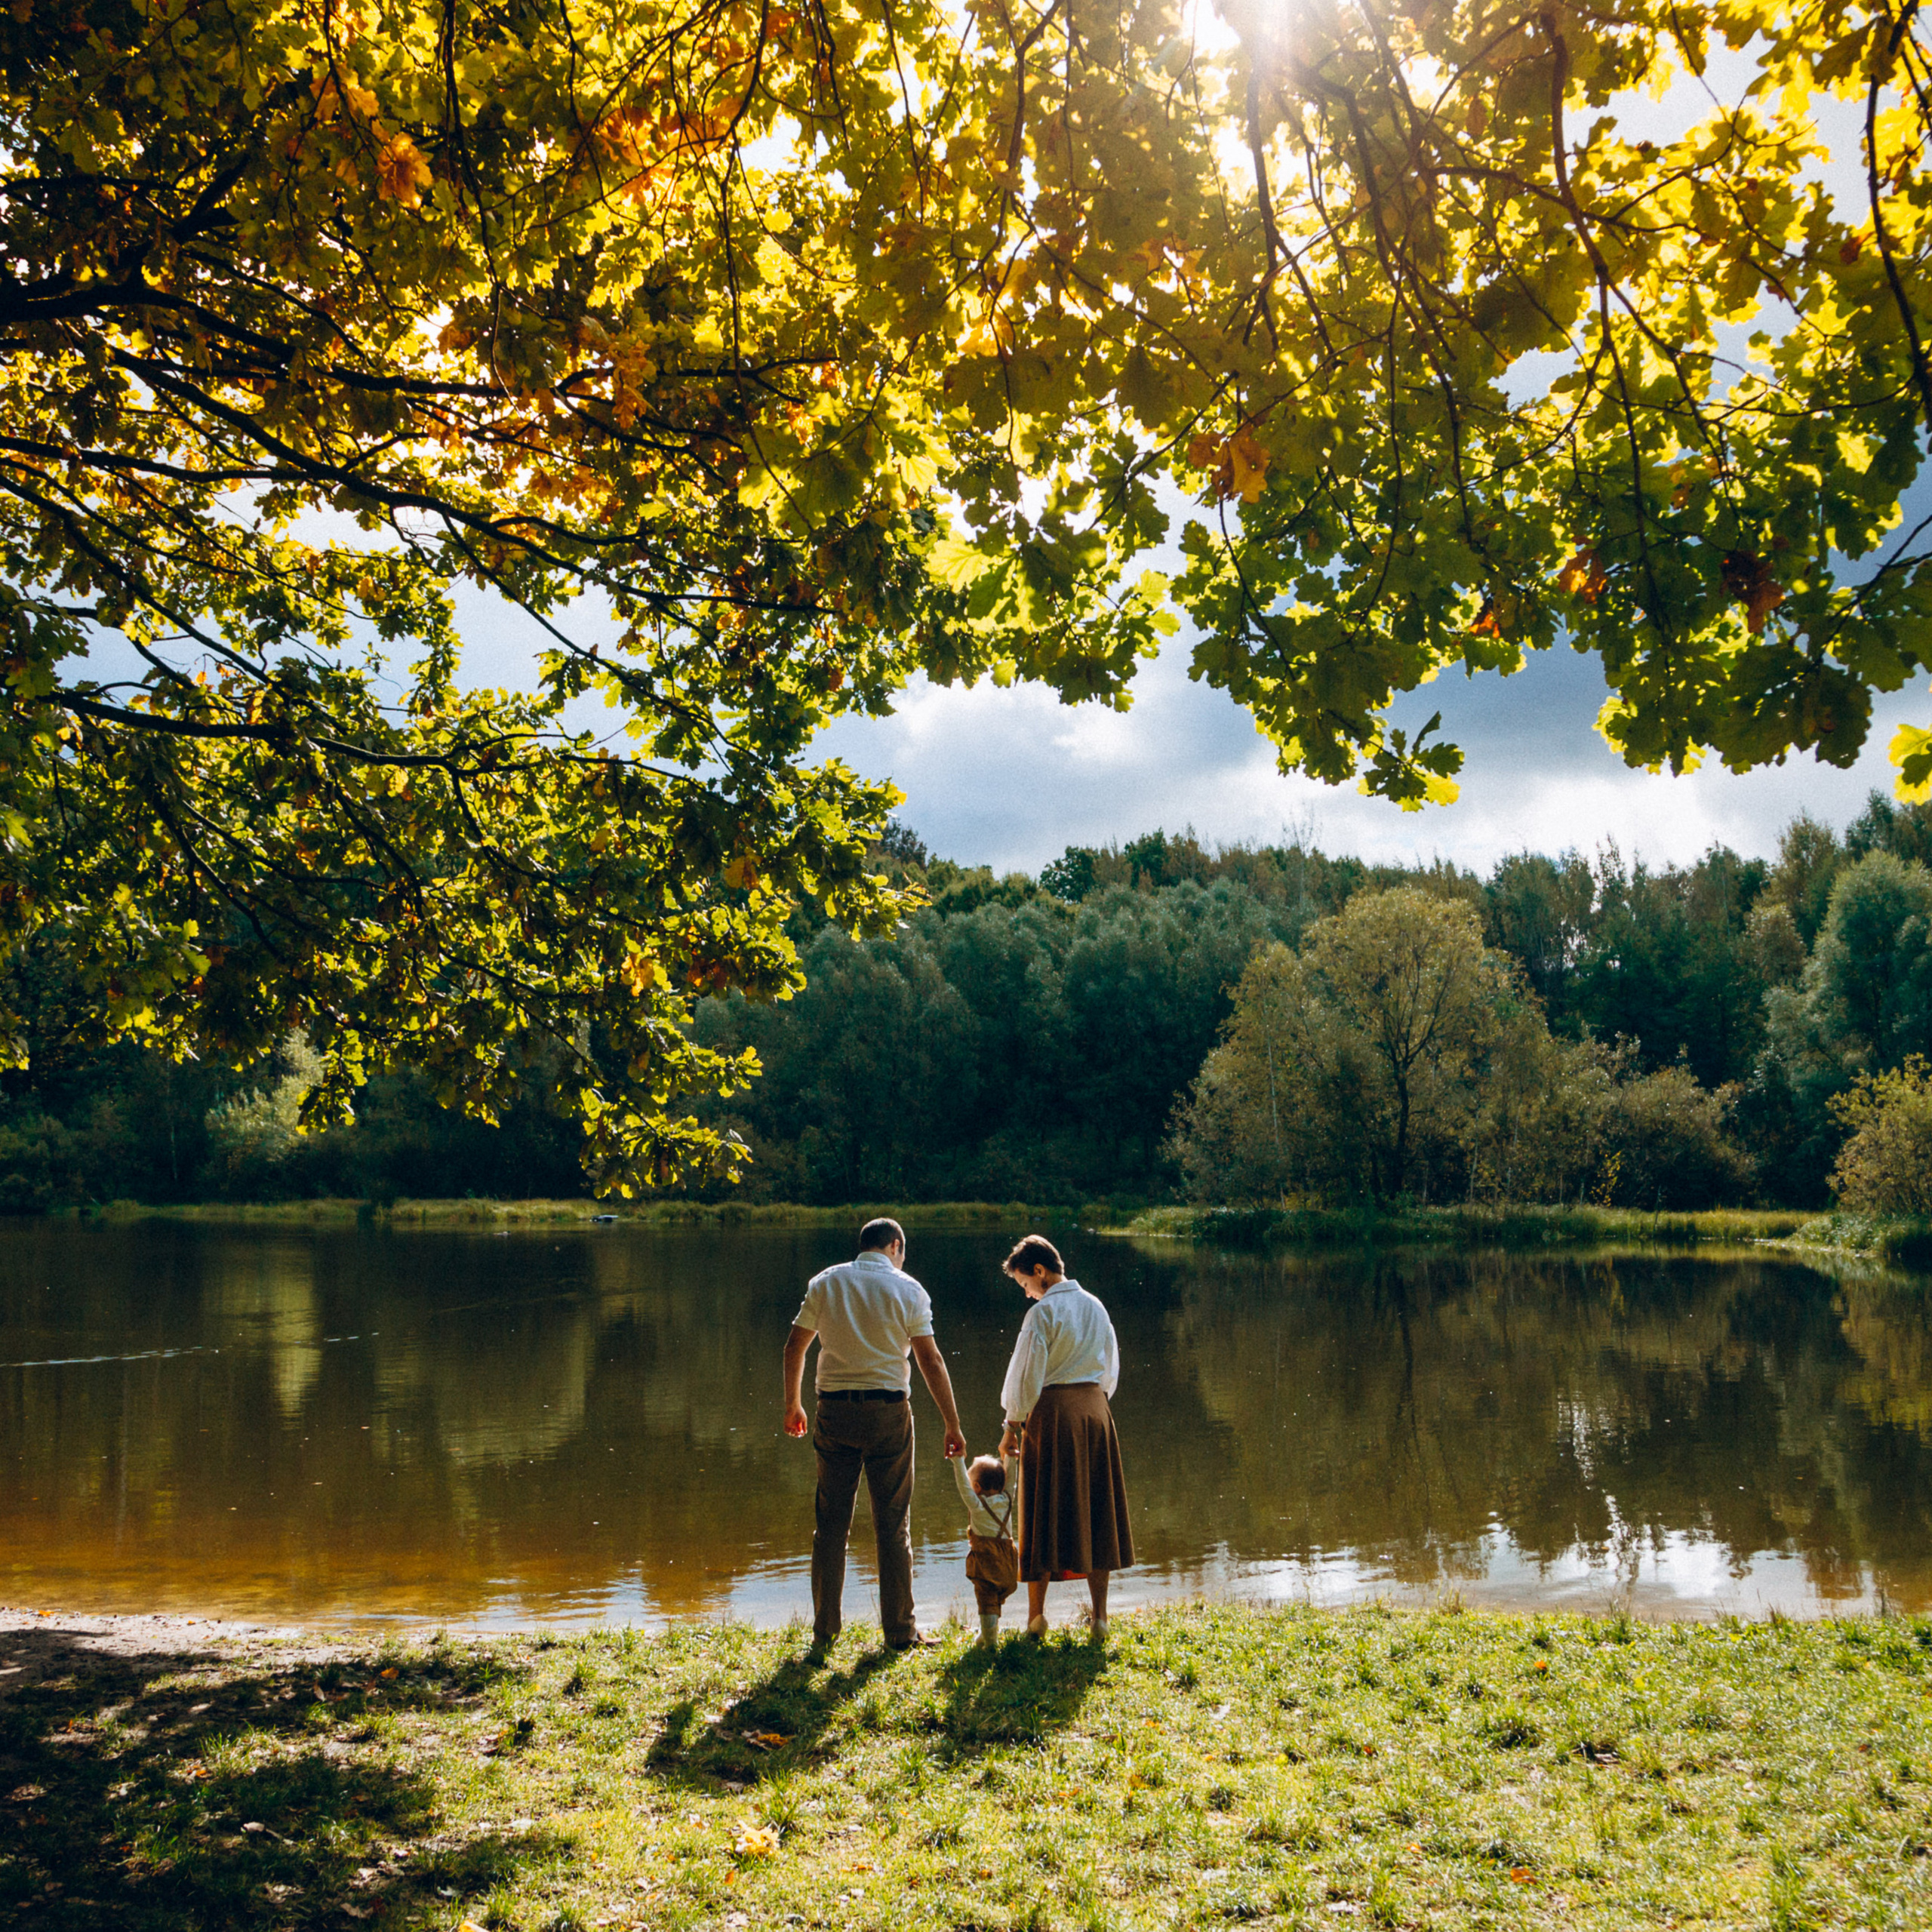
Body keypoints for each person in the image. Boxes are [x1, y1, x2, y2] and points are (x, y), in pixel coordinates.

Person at [782, 1217, 966, 1652]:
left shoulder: (826, 1283)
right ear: (895, 1246)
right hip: (888, 1415)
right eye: (903, 1252)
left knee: (830, 1525)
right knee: (893, 1525)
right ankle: (900, 1632)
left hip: (834, 1411)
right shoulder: (909, 1289)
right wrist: (952, 1424)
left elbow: (795, 1346)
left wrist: (793, 1404)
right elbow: (931, 1361)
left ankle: (825, 1631)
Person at [997, 1233, 1133, 1639]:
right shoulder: (1096, 1305)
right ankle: (1101, 1619)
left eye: (1025, 1284)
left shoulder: (1043, 1315)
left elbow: (1025, 1378)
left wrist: (1011, 1426)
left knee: (1039, 1512)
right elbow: (1110, 1370)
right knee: (1097, 1511)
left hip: (1052, 1415)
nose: (1026, 1294)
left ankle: (1036, 1619)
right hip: (1095, 1413)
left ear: (1040, 1272)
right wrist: (1093, 1402)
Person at [951, 1451, 1020, 1645]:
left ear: (977, 1487)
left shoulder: (977, 1506)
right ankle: (986, 1634)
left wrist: (957, 1461)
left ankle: (991, 1643)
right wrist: (1011, 1458)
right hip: (1009, 1562)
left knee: (987, 1598)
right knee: (995, 1599)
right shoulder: (1007, 1500)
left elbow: (963, 1487)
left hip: (987, 1560)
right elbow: (1012, 1481)